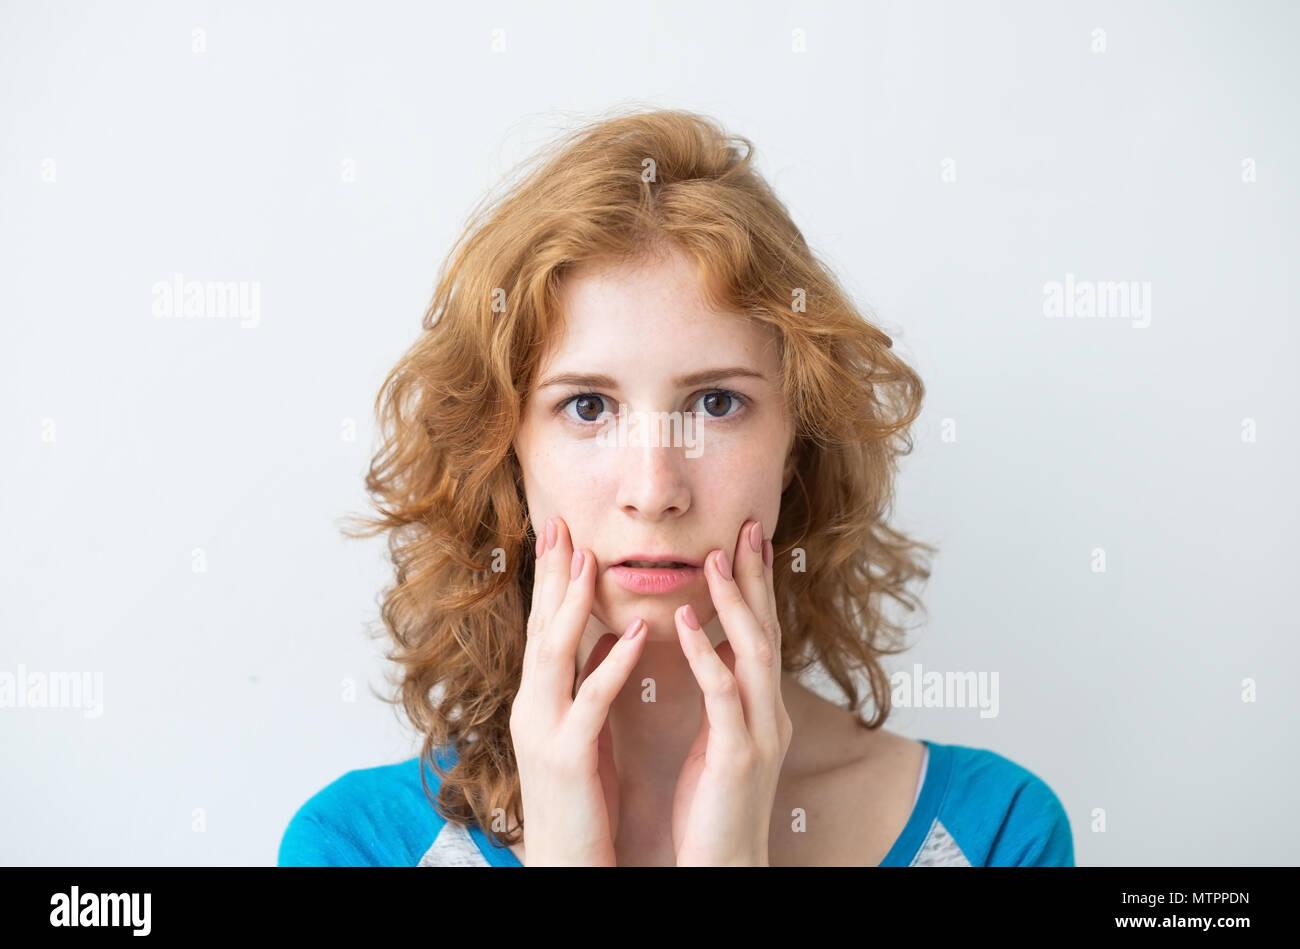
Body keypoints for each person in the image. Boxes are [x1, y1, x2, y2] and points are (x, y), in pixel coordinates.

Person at [278, 106, 1074, 866]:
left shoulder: (995, 834)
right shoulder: (357, 847)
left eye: (716, 403)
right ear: (505, 455)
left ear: (798, 444)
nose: (655, 490)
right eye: (587, 407)